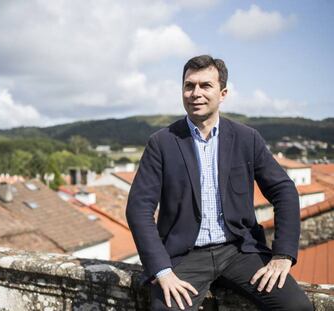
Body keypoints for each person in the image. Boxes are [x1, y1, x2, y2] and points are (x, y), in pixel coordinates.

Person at [126, 55, 313, 310]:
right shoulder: (162, 142)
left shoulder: (248, 138)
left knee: (297, 307)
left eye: (205, 85)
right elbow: (139, 208)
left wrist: (283, 254)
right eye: (189, 85)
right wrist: (162, 270)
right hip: (184, 256)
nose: (195, 93)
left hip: (239, 250)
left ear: (223, 93)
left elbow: (284, 190)